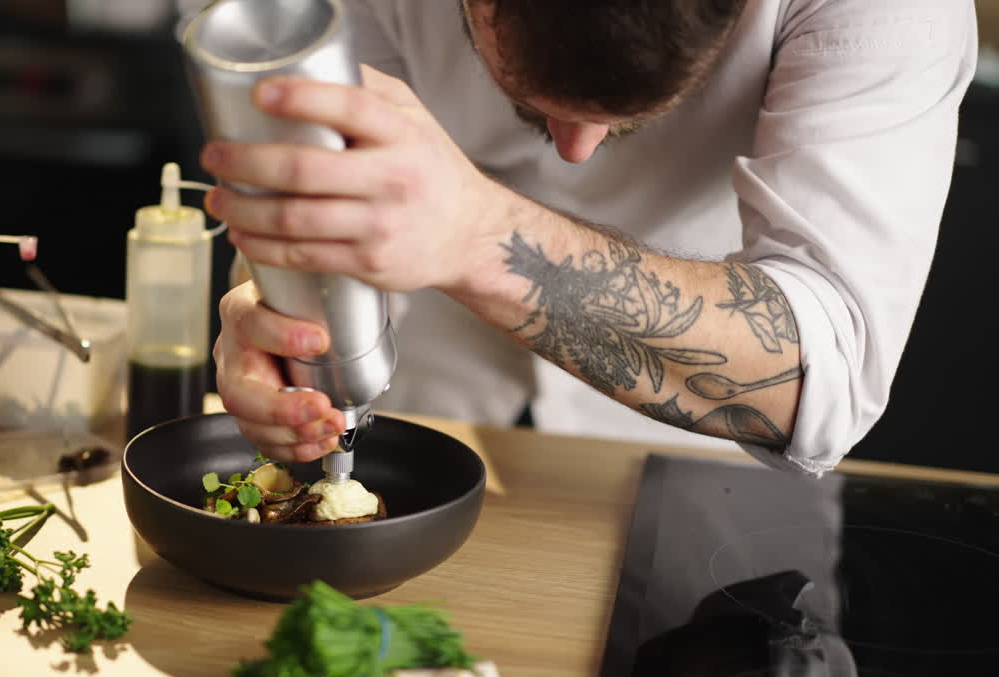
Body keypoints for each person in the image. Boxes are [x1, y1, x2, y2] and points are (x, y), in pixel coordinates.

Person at [189, 0, 977, 475]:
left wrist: (479, 238)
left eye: (625, 110)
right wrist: (278, 322)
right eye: (537, 101)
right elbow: (324, 183)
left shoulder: (889, 12)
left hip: (707, 483)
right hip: (425, 408)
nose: (576, 148)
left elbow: (821, 379)